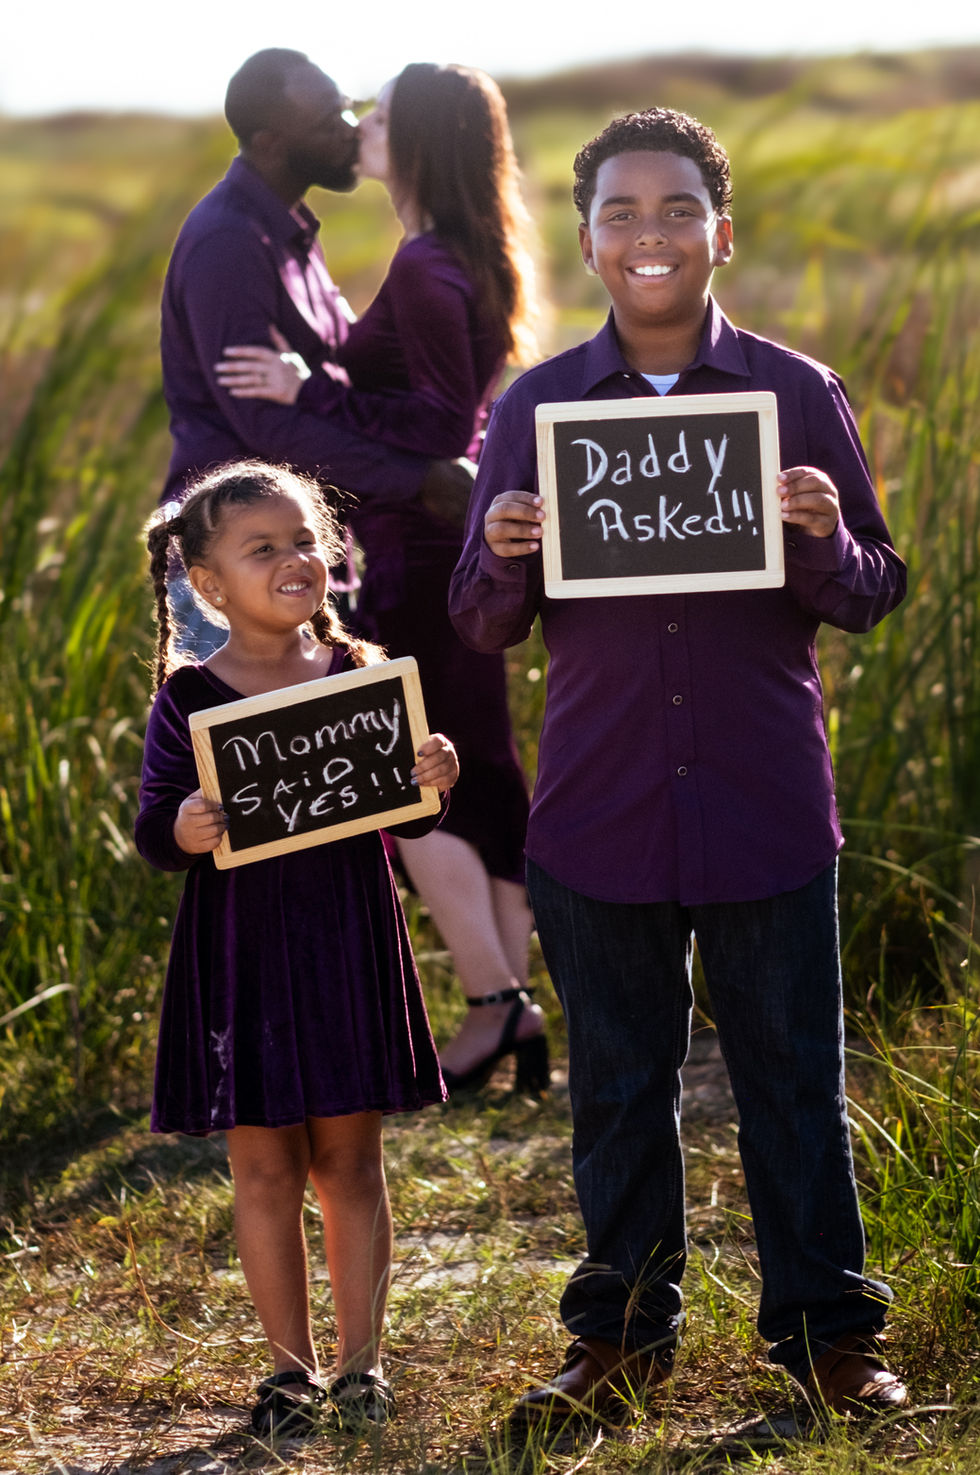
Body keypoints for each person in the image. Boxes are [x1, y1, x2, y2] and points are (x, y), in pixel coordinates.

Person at [448, 108, 909, 1429]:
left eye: (674, 209)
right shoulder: (536, 406)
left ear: (722, 232)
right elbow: (480, 621)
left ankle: (829, 1337)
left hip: (764, 800)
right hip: (600, 807)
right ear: (586, 238)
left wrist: (821, 533)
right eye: (619, 212)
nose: (647, 233)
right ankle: (619, 1340)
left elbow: (873, 590)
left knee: (791, 1083)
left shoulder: (794, 392)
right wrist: (505, 548)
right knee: (615, 1087)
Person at [215, 64, 548, 1095]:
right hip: (446, 548)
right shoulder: (464, 254)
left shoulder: (427, 265)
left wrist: (311, 386)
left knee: (405, 772)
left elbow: (438, 426)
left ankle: (495, 1004)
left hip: (414, 554)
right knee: (479, 766)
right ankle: (513, 1004)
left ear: (421, 141)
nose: (362, 124)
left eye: (385, 116)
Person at [135, 461, 459, 1439]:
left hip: (344, 940)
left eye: (304, 540)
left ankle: (362, 1365)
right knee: (266, 1168)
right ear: (207, 583)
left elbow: (411, 815)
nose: (293, 559)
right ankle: (289, 1371)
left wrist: (434, 773)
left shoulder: (360, 674)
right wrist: (183, 826)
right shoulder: (188, 700)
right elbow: (155, 829)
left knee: (350, 1161)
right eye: (262, 547)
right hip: (241, 955)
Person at [159, 47, 474, 648]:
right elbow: (264, 424)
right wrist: (418, 480)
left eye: (347, 109)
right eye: (330, 122)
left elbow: (338, 376)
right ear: (272, 143)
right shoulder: (228, 243)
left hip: (294, 555)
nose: (351, 130)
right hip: (232, 573)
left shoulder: (290, 228)